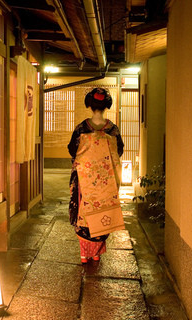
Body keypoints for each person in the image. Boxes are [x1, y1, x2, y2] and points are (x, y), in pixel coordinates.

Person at [68, 87, 125, 264]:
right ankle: (97, 253)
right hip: (106, 181)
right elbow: (119, 151)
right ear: (106, 106)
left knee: (83, 214)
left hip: (85, 180)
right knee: (103, 214)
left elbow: (72, 150)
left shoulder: (82, 128)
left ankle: (84, 255)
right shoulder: (112, 130)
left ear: (90, 105)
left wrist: (88, 162)